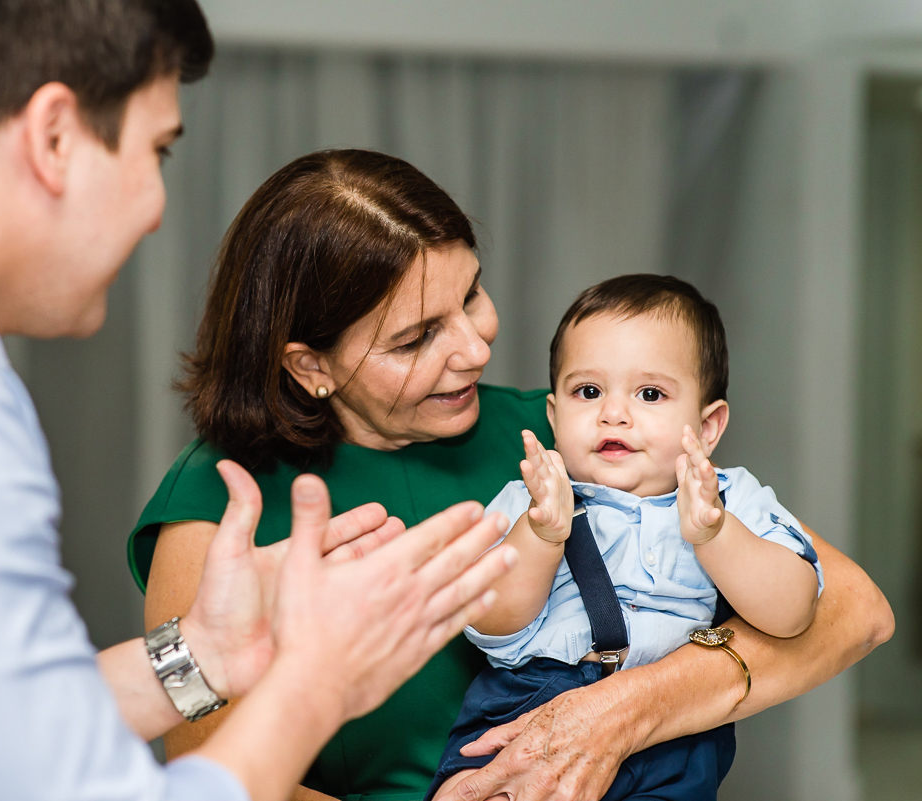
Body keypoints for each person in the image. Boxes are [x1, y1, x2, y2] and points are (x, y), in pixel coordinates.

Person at [0, 4, 522, 801]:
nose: (156, 208)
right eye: (158, 150)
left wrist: (201, 650)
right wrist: (322, 680)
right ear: (56, 136)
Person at [132, 149, 896, 801]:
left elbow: (852, 609)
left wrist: (628, 708)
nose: (473, 347)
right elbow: (210, 778)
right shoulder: (219, 502)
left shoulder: (576, 431)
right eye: (417, 337)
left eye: (471, 294)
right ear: (310, 364)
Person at [428, 274, 824, 801]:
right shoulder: (536, 495)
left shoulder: (731, 498)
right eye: (588, 391)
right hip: (527, 700)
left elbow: (793, 611)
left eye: (650, 393)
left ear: (708, 427)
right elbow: (488, 620)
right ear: (553, 415)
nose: (613, 412)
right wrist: (542, 536)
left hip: (675, 720)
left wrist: (716, 534)